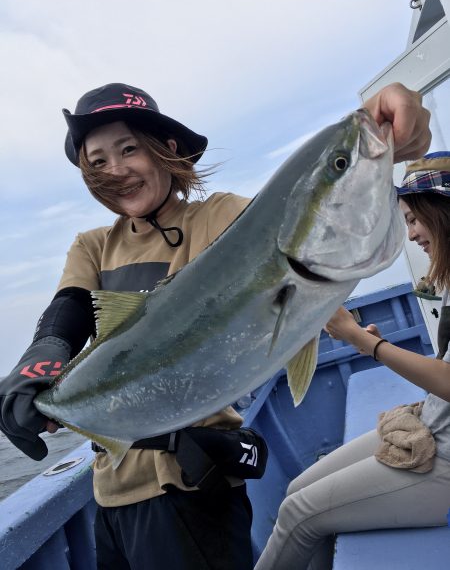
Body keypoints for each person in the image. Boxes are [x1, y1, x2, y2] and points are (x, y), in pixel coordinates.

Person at [0, 82, 431, 570]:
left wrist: (384, 119)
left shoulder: (223, 218)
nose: (115, 169)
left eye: (128, 149)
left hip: (191, 484)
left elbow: (300, 209)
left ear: (168, 150)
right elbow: (70, 309)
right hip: (112, 488)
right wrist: (39, 366)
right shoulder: (93, 246)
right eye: (96, 162)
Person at [254, 152, 450, 570]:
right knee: (298, 488)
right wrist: (374, 345)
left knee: (298, 514)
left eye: (415, 219)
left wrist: (366, 343)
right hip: (432, 425)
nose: (411, 234)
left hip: (446, 463)